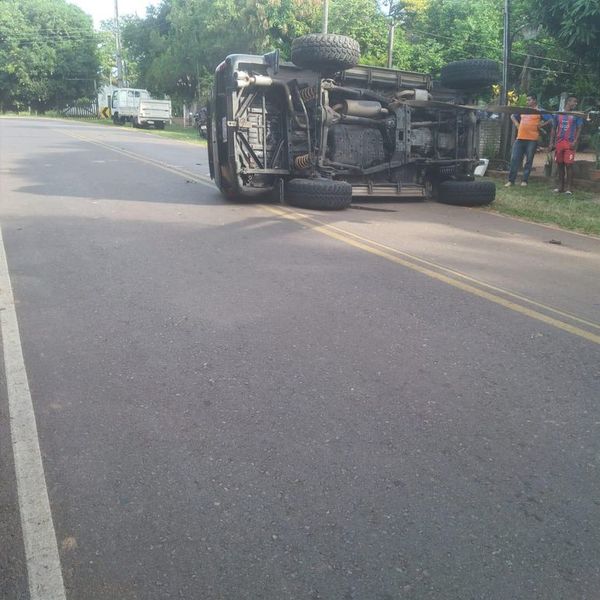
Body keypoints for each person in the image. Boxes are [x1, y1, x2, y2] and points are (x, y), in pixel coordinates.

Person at [505, 93, 552, 187]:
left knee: (529, 161)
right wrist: (517, 125)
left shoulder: (540, 111)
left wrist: (541, 125)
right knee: (514, 159)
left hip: (532, 139)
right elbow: (512, 116)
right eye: (527, 100)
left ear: (534, 100)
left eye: (529, 100)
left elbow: (551, 119)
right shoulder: (523, 110)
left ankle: (524, 181)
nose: (527, 102)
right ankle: (511, 180)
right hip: (520, 138)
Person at [550, 96, 585, 194]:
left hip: (570, 143)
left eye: (576, 102)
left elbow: (579, 129)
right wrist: (551, 142)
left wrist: (575, 141)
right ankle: (560, 186)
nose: (576, 103)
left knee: (569, 165)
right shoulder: (558, 114)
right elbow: (553, 128)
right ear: (568, 102)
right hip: (559, 143)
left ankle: (569, 188)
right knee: (560, 165)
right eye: (574, 101)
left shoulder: (576, 115)